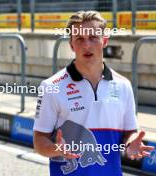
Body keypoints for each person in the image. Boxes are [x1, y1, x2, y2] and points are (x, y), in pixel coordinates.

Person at [33, 11, 155, 176]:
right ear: (71, 45)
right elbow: (39, 140)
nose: (87, 45)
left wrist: (131, 143)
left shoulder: (123, 85)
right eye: (80, 39)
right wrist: (56, 149)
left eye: (93, 37)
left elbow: (130, 132)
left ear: (104, 41)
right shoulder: (51, 86)